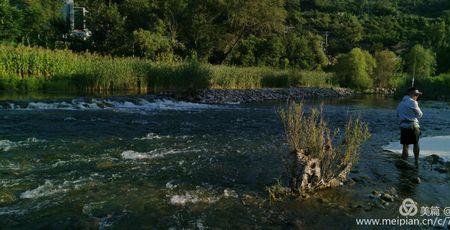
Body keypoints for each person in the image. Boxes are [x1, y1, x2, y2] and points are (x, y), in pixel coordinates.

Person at [396, 87, 423, 167]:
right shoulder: (413, 102)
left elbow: (397, 114)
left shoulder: (401, 103)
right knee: (416, 143)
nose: (417, 96)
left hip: (403, 126)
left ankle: (404, 161)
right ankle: (416, 161)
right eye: (416, 94)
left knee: (405, 145)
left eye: (417, 95)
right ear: (411, 94)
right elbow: (420, 115)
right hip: (413, 126)